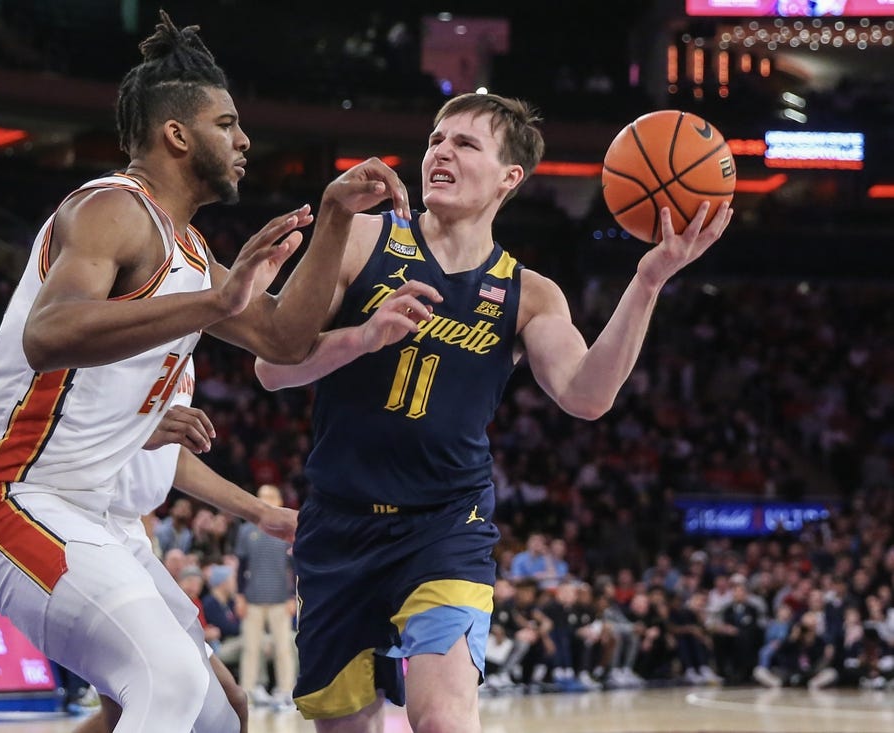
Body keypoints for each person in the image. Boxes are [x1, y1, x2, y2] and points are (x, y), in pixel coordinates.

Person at [0, 7, 406, 732]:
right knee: (170, 682)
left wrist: (337, 216)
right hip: (7, 492)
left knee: (220, 712)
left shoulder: (187, 247)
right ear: (176, 134)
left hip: (93, 512)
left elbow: (282, 338)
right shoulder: (110, 209)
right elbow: (49, 333)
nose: (244, 139)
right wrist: (216, 300)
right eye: (227, 123)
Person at [256, 92, 731, 730]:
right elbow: (272, 368)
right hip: (339, 523)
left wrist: (647, 282)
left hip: (448, 521)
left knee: (444, 718)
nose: (441, 152)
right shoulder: (360, 239)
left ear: (510, 178)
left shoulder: (528, 292)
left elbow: (587, 396)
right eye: (435, 140)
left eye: (465, 143)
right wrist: (364, 337)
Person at [72, 361, 297, 733]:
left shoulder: (185, 346)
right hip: (87, 524)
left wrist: (261, 513)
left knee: (231, 702)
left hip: (131, 535)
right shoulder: (125, 318)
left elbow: (167, 460)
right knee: (155, 696)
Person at [235, 484, 297, 709]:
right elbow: (241, 566)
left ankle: (286, 690)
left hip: (281, 598)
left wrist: (293, 596)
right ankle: (248, 692)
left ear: (280, 500)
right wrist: (240, 595)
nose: (266, 500)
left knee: (284, 648)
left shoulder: (287, 529)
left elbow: (295, 566)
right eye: (261, 497)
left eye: (270, 496)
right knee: (251, 648)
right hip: (252, 598)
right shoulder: (246, 530)